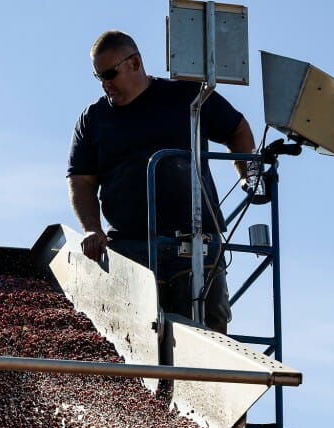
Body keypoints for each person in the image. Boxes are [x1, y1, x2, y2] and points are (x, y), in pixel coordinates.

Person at [67, 30, 262, 334]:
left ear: (134, 63)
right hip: (131, 248)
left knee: (207, 334)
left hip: (198, 242)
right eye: (98, 77)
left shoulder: (186, 97)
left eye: (109, 73)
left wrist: (248, 174)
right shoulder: (93, 119)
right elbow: (80, 182)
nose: (105, 83)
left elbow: (237, 128)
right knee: (134, 339)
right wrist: (92, 229)